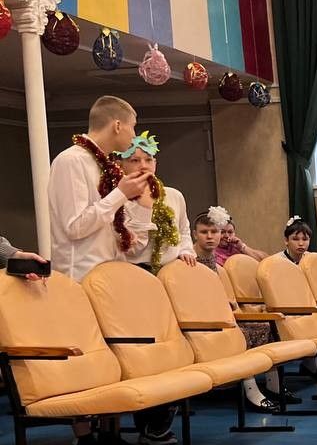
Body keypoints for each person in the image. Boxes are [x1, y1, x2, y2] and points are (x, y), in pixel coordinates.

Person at [191, 210, 293, 413]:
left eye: (214, 232)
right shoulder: (190, 260)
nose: (210, 236)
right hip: (203, 321)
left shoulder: (213, 262)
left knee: (268, 327)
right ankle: (251, 391)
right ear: (194, 234)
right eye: (204, 232)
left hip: (222, 314)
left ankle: (273, 386)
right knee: (242, 334)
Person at [48, 95, 155, 281]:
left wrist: (128, 229)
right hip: (80, 279)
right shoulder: (71, 161)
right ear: (117, 126)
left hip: (111, 274)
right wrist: (121, 194)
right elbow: (75, 227)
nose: (134, 136)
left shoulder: (108, 167)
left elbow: (112, 229)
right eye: (133, 127)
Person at [119, 133, 197, 271]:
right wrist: (143, 207)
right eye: (135, 161)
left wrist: (186, 250)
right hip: (135, 270)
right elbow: (131, 250)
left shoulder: (174, 195)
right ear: (121, 165)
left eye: (148, 160)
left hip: (172, 268)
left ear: (155, 164)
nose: (143, 166)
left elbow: (184, 230)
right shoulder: (117, 199)